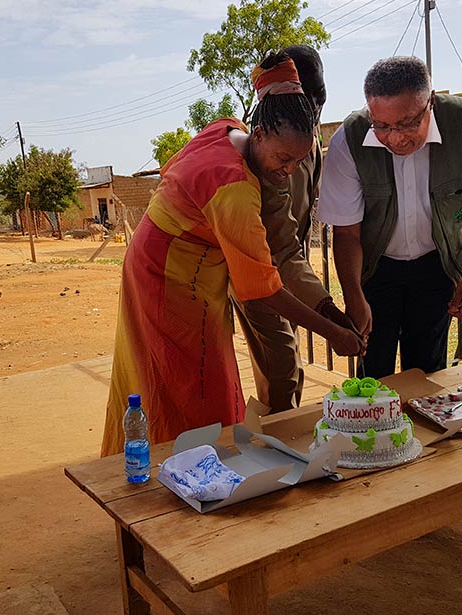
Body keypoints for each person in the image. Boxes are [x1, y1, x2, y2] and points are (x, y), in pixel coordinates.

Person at [100, 52, 363, 456]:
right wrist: (332, 333)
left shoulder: (228, 129)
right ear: (259, 134)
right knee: (188, 382)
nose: (289, 171)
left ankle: (188, 463)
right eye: (283, 159)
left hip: (186, 267)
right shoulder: (235, 188)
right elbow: (263, 289)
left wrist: (329, 311)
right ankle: (177, 473)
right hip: (168, 275)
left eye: (298, 161)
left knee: (199, 376)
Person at [318, 56, 462, 379]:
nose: (395, 138)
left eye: (408, 123)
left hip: (437, 263)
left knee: (426, 372)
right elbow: (347, 233)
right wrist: (354, 295)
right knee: (372, 372)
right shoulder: (349, 139)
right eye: (381, 125)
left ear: (430, 103)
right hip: (374, 267)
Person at [229, 44, 355, 413]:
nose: (313, 106)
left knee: (286, 364)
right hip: (260, 273)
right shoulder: (270, 153)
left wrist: (325, 309)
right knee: (283, 368)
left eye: (317, 96)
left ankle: (278, 437)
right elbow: (278, 247)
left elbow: (293, 240)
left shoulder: (305, 141)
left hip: (288, 270)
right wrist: (329, 318)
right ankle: (275, 448)